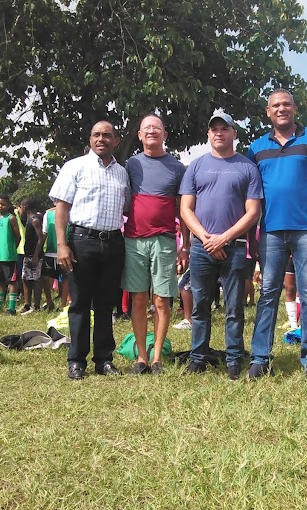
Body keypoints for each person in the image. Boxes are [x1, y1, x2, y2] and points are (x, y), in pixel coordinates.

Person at [246, 89, 307, 380]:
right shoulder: (256, 147)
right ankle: (260, 358)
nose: (282, 108)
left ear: (295, 108)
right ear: (268, 112)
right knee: (268, 294)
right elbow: (252, 195)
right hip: (271, 231)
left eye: (286, 104)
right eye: (276, 105)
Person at [179, 110, 263, 379]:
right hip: (202, 247)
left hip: (234, 247)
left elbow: (253, 212)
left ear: (233, 133)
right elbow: (185, 209)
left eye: (224, 128)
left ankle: (234, 360)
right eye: (214, 128)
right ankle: (198, 357)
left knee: (234, 308)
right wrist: (206, 238)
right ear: (208, 134)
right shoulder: (196, 166)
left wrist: (223, 238)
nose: (219, 132)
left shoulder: (247, 167)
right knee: (200, 305)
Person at [50, 120, 129, 380]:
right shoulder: (75, 167)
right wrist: (62, 245)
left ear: (116, 140)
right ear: (90, 139)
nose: (101, 139)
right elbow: (61, 208)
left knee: (106, 305)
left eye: (107, 135)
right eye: (96, 135)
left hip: (114, 242)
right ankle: (76, 361)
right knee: (80, 304)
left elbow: (126, 209)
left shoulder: (122, 173)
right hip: (82, 241)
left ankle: (104, 360)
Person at [123, 114, 189, 375]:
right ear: (139, 135)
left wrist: (185, 246)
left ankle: (157, 358)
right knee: (138, 298)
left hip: (164, 240)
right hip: (133, 240)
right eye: (146, 128)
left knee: (162, 300)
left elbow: (183, 208)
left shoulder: (177, 167)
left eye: (156, 128)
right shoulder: (130, 165)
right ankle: (141, 357)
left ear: (165, 134)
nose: (151, 131)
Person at [0, 195, 21, 315]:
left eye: (2, 204)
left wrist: (12, 248)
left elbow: (17, 236)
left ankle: (11, 308)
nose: (0, 206)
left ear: (8, 205)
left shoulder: (11, 218)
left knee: (12, 281)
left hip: (8, 255)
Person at [19, 199, 44, 315]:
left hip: (35, 255)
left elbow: (40, 238)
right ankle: (27, 304)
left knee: (36, 280)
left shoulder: (34, 220)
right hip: (27, 253)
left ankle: (36, 306)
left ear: (25, 207)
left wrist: (35, 256)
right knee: (25, 279)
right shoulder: (28, 219)